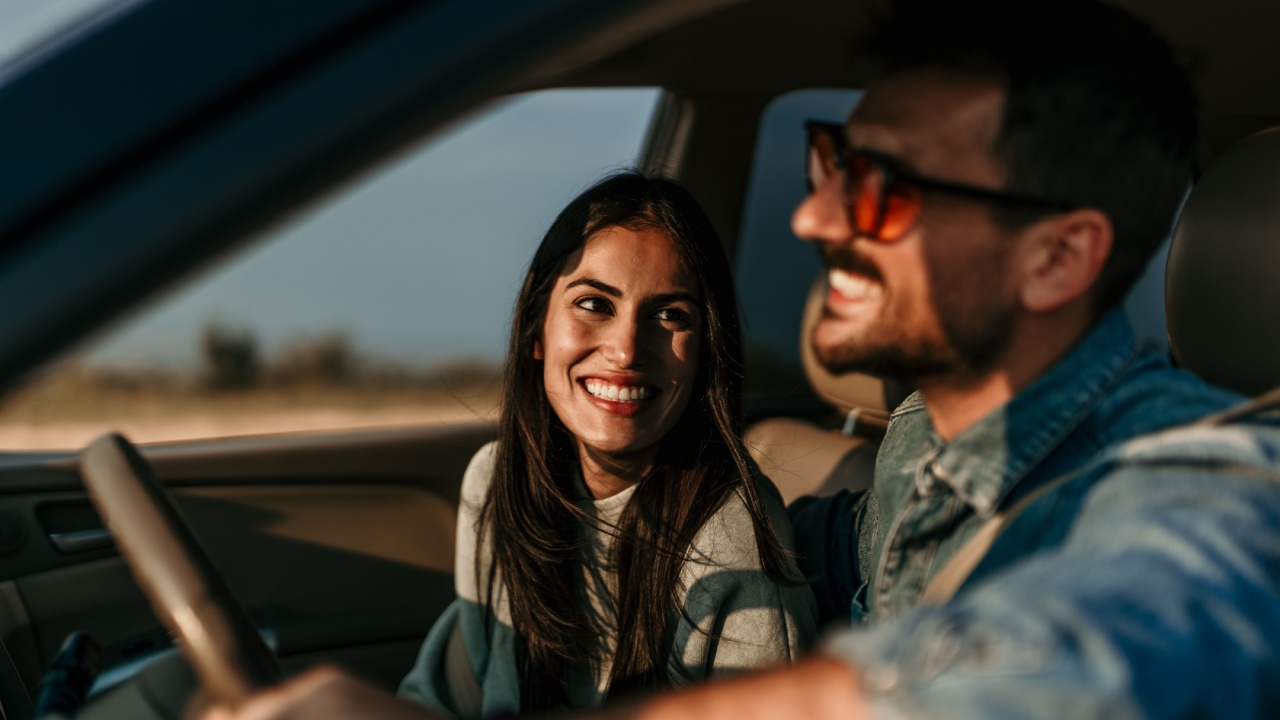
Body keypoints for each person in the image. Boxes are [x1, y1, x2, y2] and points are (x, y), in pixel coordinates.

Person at [202, 1, 1280, 718]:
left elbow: (1084, 649)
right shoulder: (921, 445)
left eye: (878, 187)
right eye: (830, 163)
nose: (812, 218)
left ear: (1055, 258)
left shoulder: (1210, 485)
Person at [395, 172, 816, 717]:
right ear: (536, 330)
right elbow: (447, 695)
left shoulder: (731, 542)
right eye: (594, 304)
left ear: (707, 352)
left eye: (670, 315)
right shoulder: (497, 480)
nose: (625, 351)